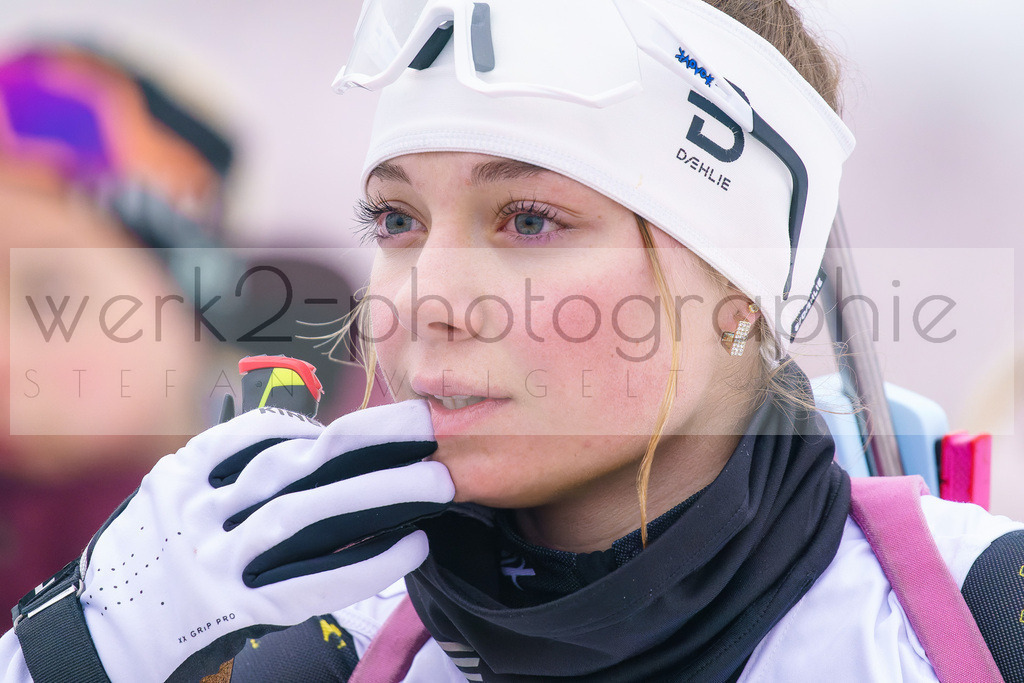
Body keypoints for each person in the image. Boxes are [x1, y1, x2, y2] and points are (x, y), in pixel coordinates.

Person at [2, 1, 1023, 681]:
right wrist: (77, 651)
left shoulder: (976, 616)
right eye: (397, 221)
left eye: (528, 219)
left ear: (742, 286)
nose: (425, 297)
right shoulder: (325, 645)